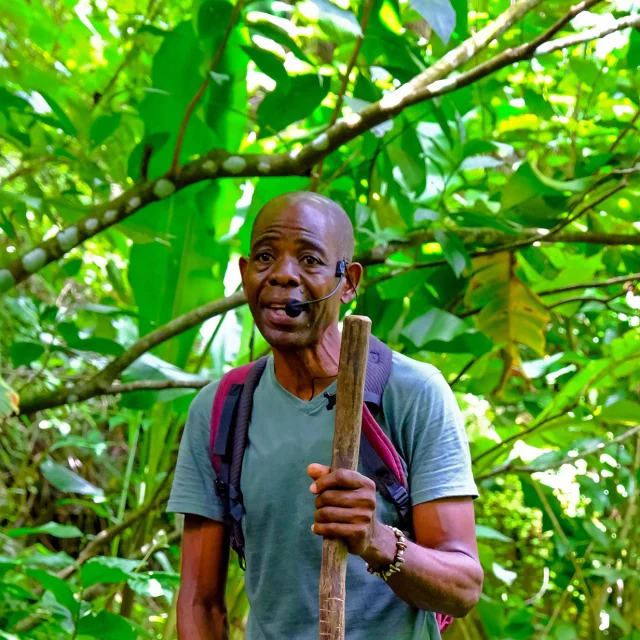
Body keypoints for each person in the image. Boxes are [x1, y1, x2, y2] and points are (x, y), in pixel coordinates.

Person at [167, 191, 483, 640]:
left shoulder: (412, 394)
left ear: (348, 281)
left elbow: (463, 587)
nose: (281, 275)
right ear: (244, 274)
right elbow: (199, 602)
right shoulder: (220, 410)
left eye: (310, 259)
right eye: (264, 256)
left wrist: (375, 539)